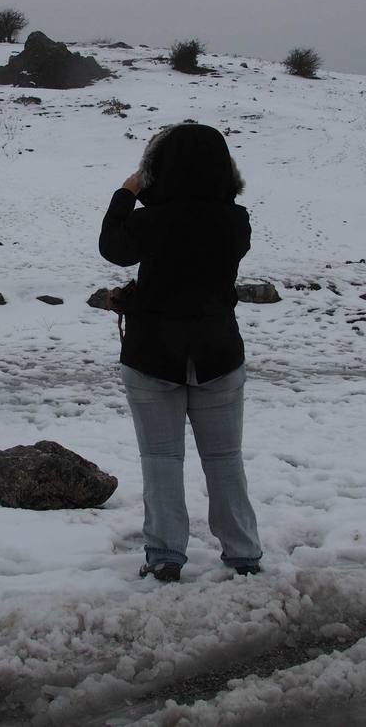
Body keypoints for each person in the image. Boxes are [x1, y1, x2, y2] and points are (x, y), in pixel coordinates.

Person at [98, 121, 262, 583]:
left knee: (162, 461)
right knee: (225, 458)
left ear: (158, 169)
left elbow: (113, 248)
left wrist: (126, 191)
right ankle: (243, 552)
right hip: (218, 352)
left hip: (153, 354)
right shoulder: (236, 222)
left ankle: (166, 554)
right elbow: (195, 278)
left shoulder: (149, 221)